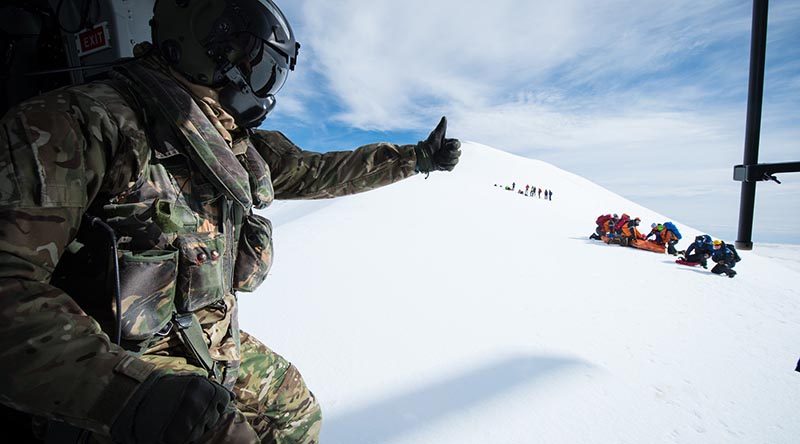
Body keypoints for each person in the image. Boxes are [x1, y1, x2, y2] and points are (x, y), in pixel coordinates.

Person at [0, 0, 462, 442]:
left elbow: (320, 172)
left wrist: (414, 158)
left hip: (206, 336)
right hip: (123, 356)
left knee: (293, 412)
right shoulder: (82, 122)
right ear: (207, 48)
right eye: (257, 66)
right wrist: (128, 393)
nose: (260, 88)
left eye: (270, 75)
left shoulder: (233, 146)